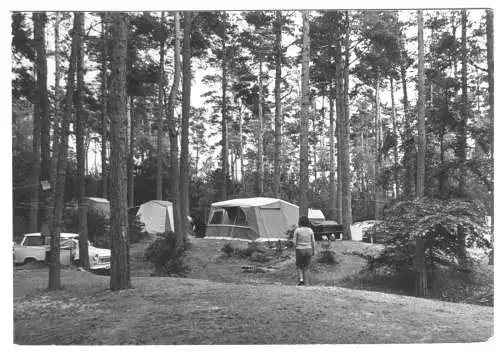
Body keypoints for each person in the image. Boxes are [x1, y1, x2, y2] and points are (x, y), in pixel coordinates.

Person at [293, 215, 315, 286]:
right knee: (306, 267)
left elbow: (294, 242)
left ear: (300, 222)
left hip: (299, 249)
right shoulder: (310, 230)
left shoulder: (297, 230)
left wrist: (295, 248)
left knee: (299, 266)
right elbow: (313, 242)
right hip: (309, 249)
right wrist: (313, 251)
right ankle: (307, 284)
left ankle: (301, 280)